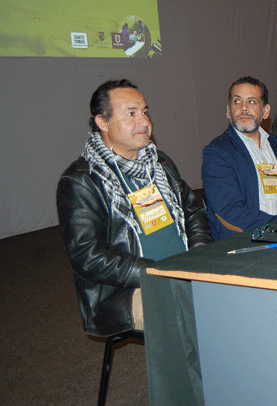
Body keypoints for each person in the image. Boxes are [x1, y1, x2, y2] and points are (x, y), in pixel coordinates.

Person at [56, 79, 212, 337]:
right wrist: (159, 273)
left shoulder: (159, 163)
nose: (144, 122)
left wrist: (198, 255)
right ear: (102, 122)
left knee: (238, 290)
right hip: (125, 291)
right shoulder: (81, 180)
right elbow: (88, 256)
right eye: (131, 113)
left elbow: (193, 211)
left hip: (183, 268)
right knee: (192, 310)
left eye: (145, 112)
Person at [202, 76, 277, 240]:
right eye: (237, 102)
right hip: (253, 240)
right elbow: (231, 212)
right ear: (228, 111)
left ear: (265, 111)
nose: (243, 108)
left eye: (251, 102)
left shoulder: (276, 144)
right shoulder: (218, 152)